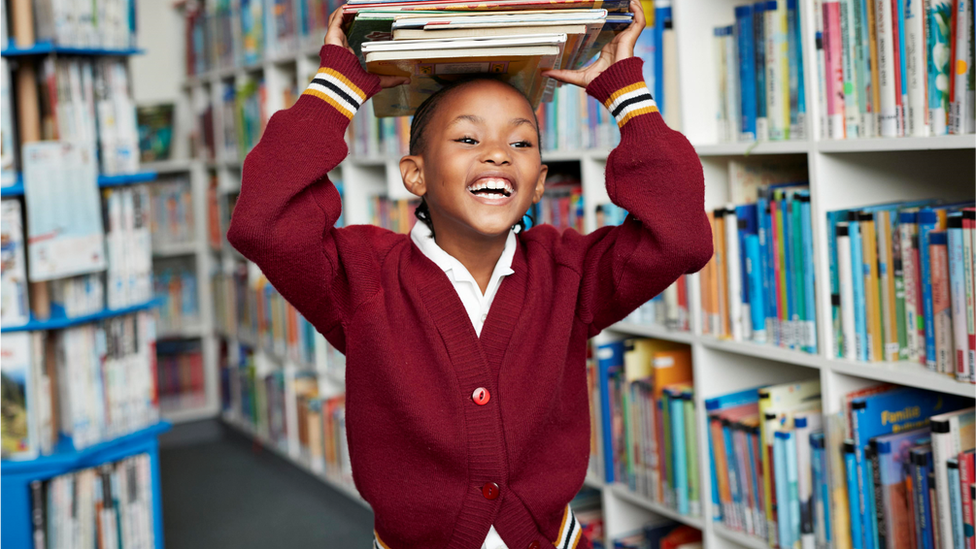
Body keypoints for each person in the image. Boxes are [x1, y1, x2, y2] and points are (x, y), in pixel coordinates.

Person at [227, 2, 712, 547]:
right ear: (415, 175)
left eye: (521, 142)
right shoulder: (360, 278)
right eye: (467, 139)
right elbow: (263, 222)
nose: (499, 155)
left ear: (538, 182)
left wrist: (626, 96)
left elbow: (681, 236)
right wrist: (337, 87)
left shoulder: (570, 274)